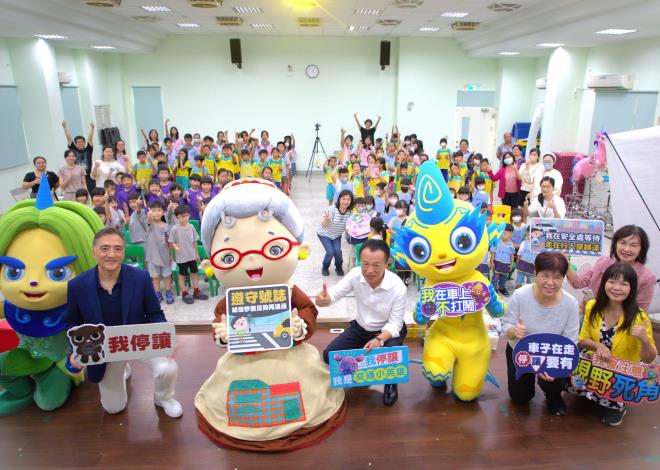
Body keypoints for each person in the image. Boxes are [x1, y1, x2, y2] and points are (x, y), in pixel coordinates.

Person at [65, 228, 182, 418]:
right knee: (113, 408)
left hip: (139, 341)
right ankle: (122, 366)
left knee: (167, 368)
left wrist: (167, 338)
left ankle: (163, 398)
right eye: (105, 248)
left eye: (118, 249)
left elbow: (154, 313)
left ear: (124, 252)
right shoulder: (77, 285)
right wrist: (74, 350)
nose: (111, 254)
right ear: (94, 252)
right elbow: (72, 322)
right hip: (105, 349)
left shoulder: (141, 278)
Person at [316, 239, 407, 406]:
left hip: (386, 331)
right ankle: (362, 369)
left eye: (376, 265)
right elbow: (334, 294)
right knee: (330, 355)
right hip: (361, 327)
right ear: (360, 261)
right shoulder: (355, 274)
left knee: (392, 357)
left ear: (387, 263)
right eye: (365, 264)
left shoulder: (398, 287)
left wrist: (379, 340)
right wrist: (325, 299)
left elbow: (395, 324)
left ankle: (390, 383)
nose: (369, 270)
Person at [571, 263, 657, 426]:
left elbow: (649, 358)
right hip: (595, 362)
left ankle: (618, 405)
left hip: (620, 370)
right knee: (571, 385)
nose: (616, 288)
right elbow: (582, 339)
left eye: (624, 284)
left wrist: (644, 340)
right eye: (612, 282)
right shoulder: (593, 306)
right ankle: (592, 392)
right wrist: (598, 346)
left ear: (632, 288)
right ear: (604, 283)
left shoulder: (639, 317)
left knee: (611, 404)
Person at [502, 252, 580, 416]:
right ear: (535, 274)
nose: (550, 283)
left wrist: (552, 366)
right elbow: (506, 326)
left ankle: (553, 394)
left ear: (563, 278)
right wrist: (514, 331)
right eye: (545, 275)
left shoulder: (570, 304)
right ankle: (527, 384)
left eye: (557, 277)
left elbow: (570, 342)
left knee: (554, 383)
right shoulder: (521, 295)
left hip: (552, 354)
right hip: (521, 351)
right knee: (520, 398)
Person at [566, 225, 655, 312]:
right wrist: (567, 265)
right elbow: (578, 283)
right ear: (615, 244)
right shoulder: (604, 261)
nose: (627, 249)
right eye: (623, 243)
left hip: (619, 321)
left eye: (633, 245)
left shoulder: (647, 278)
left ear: (641, 249)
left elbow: (641, 311)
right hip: (589, 313)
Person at [168, 205, 208, 304]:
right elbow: (171, 241)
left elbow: (194, 242)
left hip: (192, 256)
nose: (184, 218)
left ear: (189, 215)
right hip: (181, 257)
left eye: (186, 216)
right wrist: (175, 247)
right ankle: (184, 293)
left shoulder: (191, 227)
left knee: (194, 273)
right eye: (182, 216)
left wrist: (197, 254)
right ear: (177, 217)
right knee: (182, 275)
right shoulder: (175, 229)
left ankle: (196, 292)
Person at [317, 189, 354, 277]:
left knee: (338, 251)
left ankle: (338, 267)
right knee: (330, 252)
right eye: (343, 199)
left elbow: (348, 228)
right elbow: (324, 225)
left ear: (351, 201)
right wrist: (326, 220)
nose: (346, 201)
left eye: (348, 199)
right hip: (324, 234)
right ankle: (325, 267)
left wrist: (350, 231)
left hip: (336, 235)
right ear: (339, 199)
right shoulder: (331, 209)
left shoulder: (350, 213)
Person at [145, 200, 174, 304]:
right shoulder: (149, 224)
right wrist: (149, 215)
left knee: (167, 275)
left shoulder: (166, 226)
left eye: (159, 210)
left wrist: (171, 255)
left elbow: (170, 242)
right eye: (153, 211)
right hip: (152, 256)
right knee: (155, 276)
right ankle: (157, 293)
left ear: (163, 212)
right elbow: (149, 220)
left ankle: (168, 292)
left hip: (165, 255)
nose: (156, 213)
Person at [62, 120, 95, 191]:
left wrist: (92, 128)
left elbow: (90, 138)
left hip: (88, 178)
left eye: (82, 142)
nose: (80, 143)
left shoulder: (88, 149)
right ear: (76, 144)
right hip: (77, 178)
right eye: (78, 142)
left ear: (84, 143)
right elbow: (69, 138)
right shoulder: (73, 150)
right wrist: (64, 127)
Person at [491, 224, 515, 296]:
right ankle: (494, 288)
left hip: (506, 265)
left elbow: (512, 254)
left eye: (511, 234)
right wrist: (492, 262)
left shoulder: (511, 244)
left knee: (504, 278)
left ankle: (502, 288)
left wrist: (512, 264)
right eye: (506, 233)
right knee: (495, 277)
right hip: (497, 263)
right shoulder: (496, 242)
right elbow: (493, 253)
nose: (509, 236)